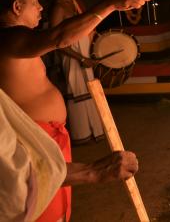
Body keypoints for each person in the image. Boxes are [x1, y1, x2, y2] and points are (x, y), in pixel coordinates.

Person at [0, 0, 151, 221]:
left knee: (58, 207)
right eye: (35, 2)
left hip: (49, 140)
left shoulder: (18, 39)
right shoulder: (8, 39)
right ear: (17, 7)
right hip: (33, 144)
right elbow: (58, 37)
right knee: (42, 209)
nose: (41, 7)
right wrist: (111, 4)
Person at [0, 87, 139, 221]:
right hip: (35, 151)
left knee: (59, 210)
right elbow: (16, 182)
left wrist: (91, 170)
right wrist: (92, 171)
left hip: (45, 151)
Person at [50, 0, 104, 145]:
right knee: (79, 93)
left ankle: (96, 130)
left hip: (85, 56)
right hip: (73, 58)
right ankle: (83, 134)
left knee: (91, 90)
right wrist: (80, 58)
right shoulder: (58, 8)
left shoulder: (75, 3)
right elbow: (56, 42)